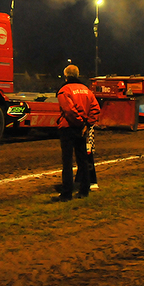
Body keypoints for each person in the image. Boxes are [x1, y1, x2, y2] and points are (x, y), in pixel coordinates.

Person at [55, 65, 100, 202]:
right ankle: (84, 190)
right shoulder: (87, 90)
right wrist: (87, 124)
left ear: (66, 75)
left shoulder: (64, 90)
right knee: (83, 159)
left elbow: (68, 110)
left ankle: (67, 193)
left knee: (67, 161)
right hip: (82, 129)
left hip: (68, 128)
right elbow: (95, 108)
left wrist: (80, 123)